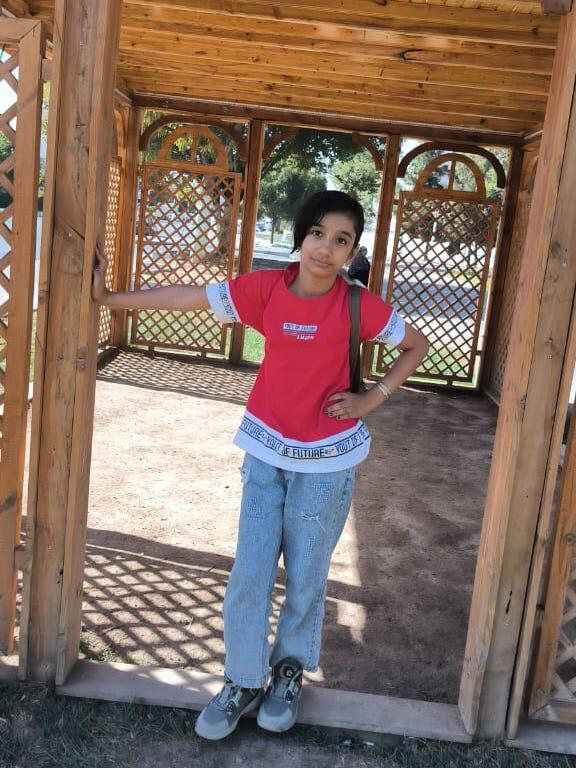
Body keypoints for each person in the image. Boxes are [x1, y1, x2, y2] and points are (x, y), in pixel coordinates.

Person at [92, 190, 429, 741]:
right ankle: (244, 679)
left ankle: (288, 673)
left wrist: (373, 398)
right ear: (301, 235)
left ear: (352, 252)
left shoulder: (358, 304)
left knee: (306, 574)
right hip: (266, 452)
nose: (325, 248)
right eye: (317, 232)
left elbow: (415, 346)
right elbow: (188, 297)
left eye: (340, 240)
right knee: (250, 572)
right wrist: (110, 297)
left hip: (328, 461)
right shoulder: (266, 288)